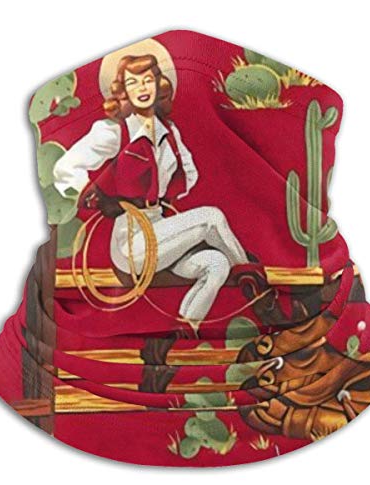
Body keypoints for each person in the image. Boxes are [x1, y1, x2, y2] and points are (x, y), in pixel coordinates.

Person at [54, 54, 262, 321]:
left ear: (158, 84)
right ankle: (252, 281)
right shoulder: (115, 132)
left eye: (147, 80)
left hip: (162, 231)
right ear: (123, 90)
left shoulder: (169, 132)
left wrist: (160, 198)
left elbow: (189, 175)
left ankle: (183, 329)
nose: (141, 88)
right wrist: (101, 199)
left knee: (216, 263)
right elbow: (64, 169)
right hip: (132, 242)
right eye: (133, 82)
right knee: (211, 217)